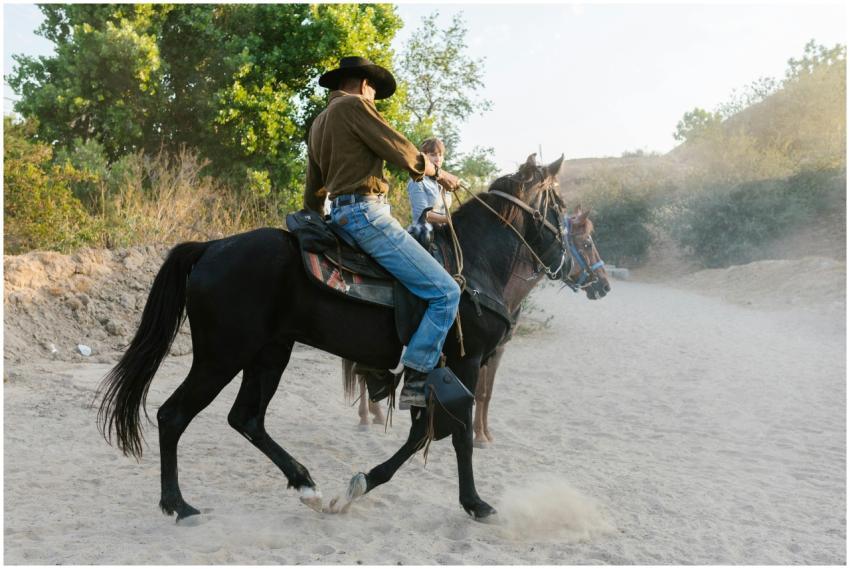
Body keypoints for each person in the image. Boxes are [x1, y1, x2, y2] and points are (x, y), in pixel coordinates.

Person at [303, 56, 462, 409]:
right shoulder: (355, 106)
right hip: (366, 215)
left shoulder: (319, 123)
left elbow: (314, 186)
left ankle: (373, 358)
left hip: (338, 216)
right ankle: (416, 377)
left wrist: (314, 217)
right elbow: (400, 149)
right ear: (364, 85)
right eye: (374, 91)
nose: (374, 99)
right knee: (446, 293)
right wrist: (439, 173)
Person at [408, 138, 452, 225]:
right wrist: (451, 219)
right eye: (433, 155)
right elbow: (422, 215)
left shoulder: (444, 182)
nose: (438, 159)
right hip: (424, 231)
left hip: (444, 229)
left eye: (440, 155)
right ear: (424, 157)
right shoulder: (417, 181)